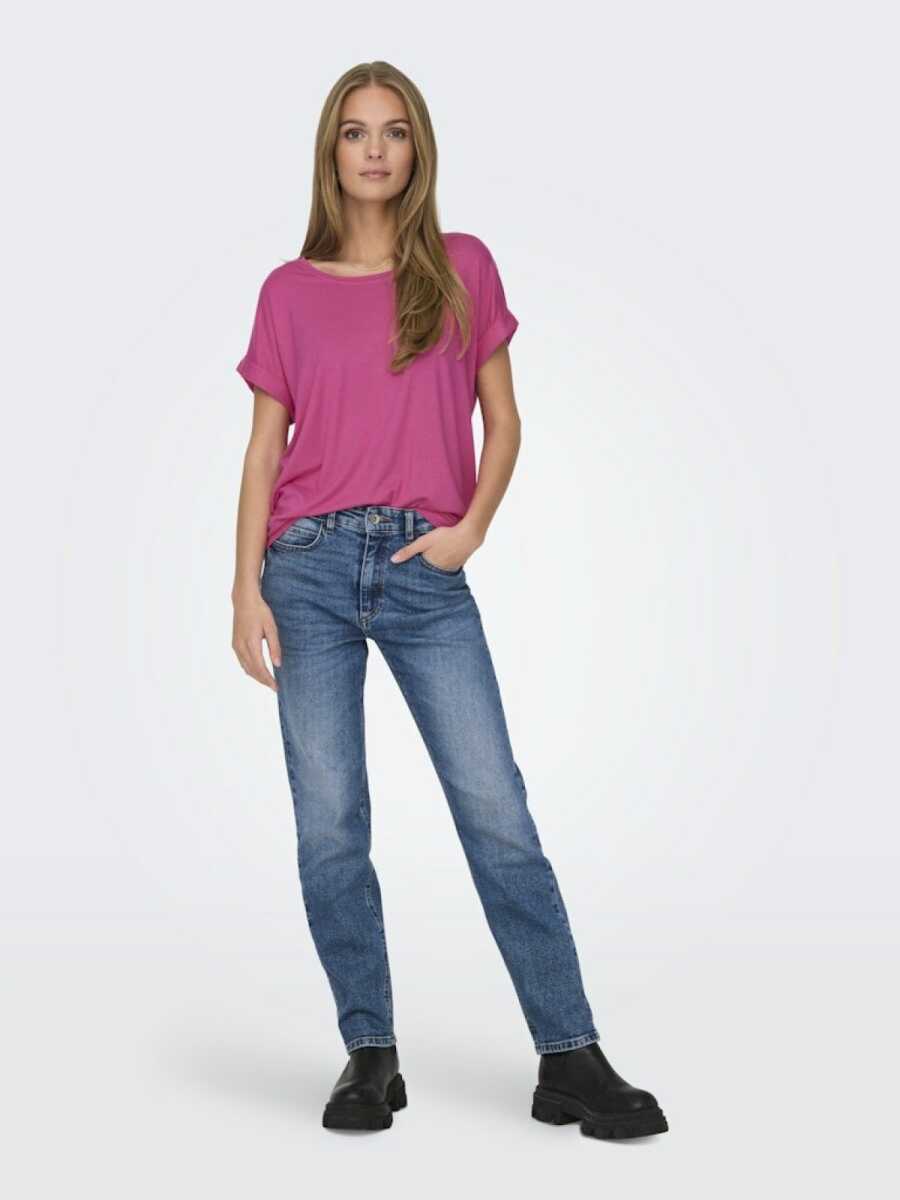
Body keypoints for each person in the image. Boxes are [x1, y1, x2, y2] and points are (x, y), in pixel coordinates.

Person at [231, 61, 668, 1140]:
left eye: (393, 131)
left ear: (418, 149)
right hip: (307, 568)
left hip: (425, 569)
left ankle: (569, 1054)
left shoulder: (460, 266)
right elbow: (264, 450)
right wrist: (243, 586)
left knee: (495, 811)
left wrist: (470, 529)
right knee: (331, 826)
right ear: (331, 153)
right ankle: (370, 1053)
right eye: (354, 132)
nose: (374, 149)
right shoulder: (288, 290)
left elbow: (502, 420)